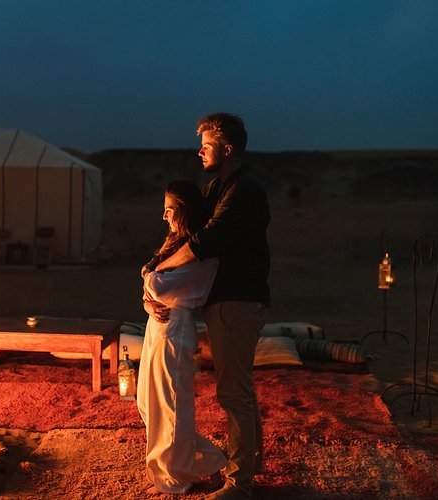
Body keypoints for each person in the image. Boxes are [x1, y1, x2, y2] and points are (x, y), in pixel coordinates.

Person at [153, 113, 270, 500]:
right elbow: (189, 227)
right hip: (227, 300)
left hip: (238, 300)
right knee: (240, 390)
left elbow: (205, 241)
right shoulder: (218, 187)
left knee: (233, 394)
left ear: (228, 148)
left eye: (206, 146)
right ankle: (250, 465)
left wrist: (157, 273)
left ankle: (239, 484)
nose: (199, 152)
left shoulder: (244, 190)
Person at [137, 180, 228, 494]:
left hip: (176, 327)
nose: (164, 215)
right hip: (157, 324)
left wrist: (149, 280)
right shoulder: (174, 245)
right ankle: (210, 461)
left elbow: (158, 285)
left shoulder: (201, 254)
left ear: (186, 211)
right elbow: (153, 286)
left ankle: (176, 476)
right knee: (148, 402)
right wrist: (147, 299)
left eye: (170, 209)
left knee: (171, 406)